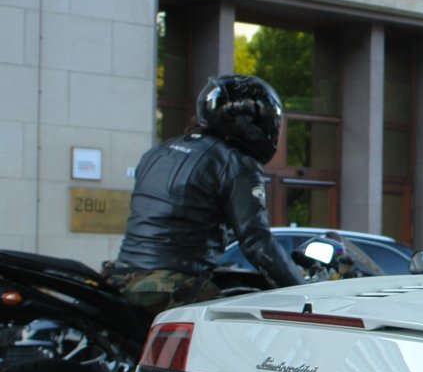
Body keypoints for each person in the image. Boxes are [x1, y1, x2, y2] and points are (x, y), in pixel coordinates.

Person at [105, 74, 304, 318]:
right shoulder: (235, 163)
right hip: (170, 285)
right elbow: (257, 243)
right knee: (243, 328)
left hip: (123, 276)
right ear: (250, 121)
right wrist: (306, 293)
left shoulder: (159, 151)